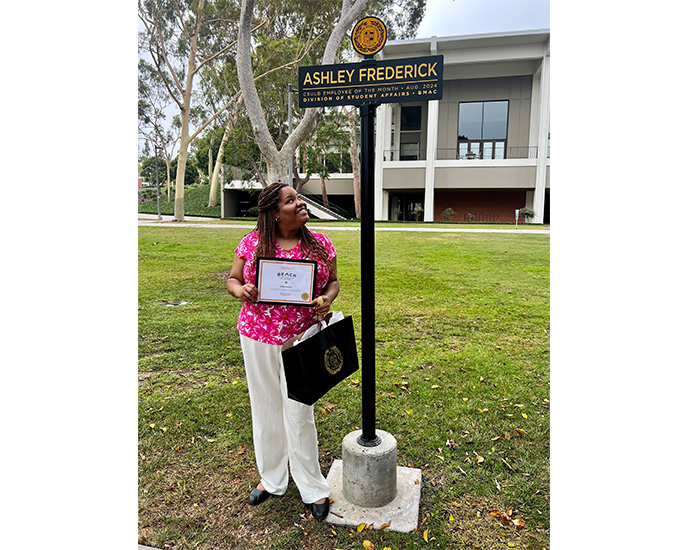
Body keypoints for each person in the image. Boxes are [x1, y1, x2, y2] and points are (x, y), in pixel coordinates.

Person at [226, 182, 340, 520]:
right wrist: (241, 290)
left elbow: (333, 282)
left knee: (298, 410)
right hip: (257, 334)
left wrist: (327, 299)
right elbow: (232, 279)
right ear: (275, 212)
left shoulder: (319, 244)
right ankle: (273, 478)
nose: (300, 203)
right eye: (291, 200)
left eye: (299, 198)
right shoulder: (252, 243)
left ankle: (312, 486)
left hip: (301, 337)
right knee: (265, 407)